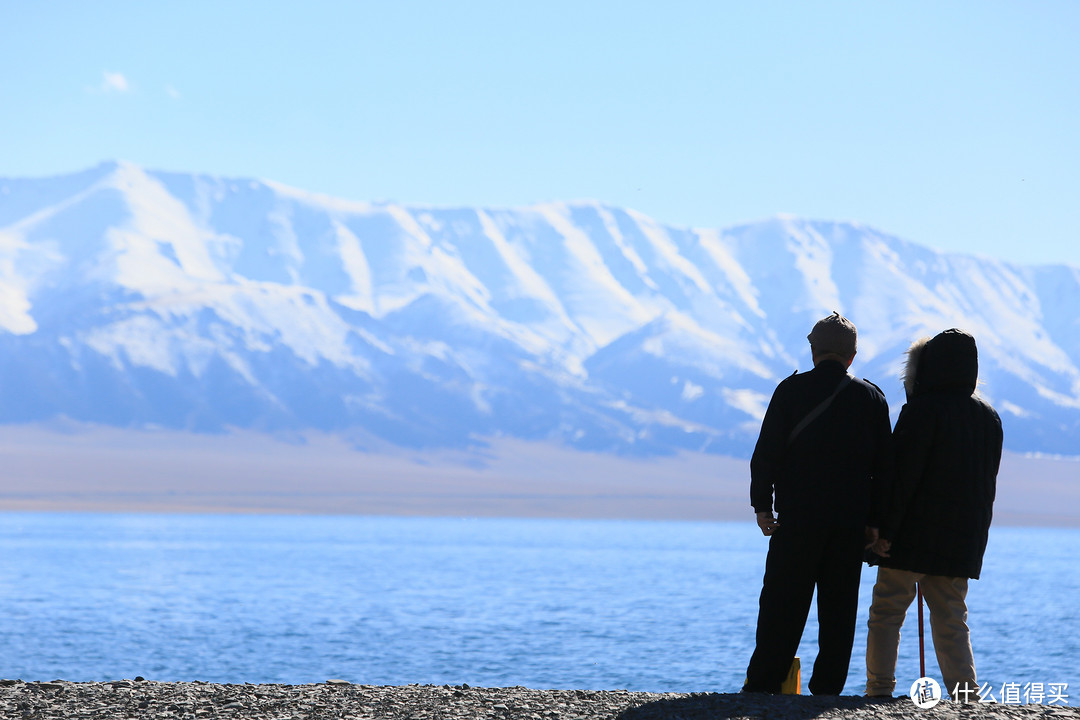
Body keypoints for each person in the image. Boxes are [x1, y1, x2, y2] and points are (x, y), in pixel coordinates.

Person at [743, 311, 893, 695]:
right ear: (853, 355)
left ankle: (763, 686)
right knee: (838, 612)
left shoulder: (789, 391)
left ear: (813, 350)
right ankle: (826, 690)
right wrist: (876, 522)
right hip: (849, 525)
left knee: (781, 606)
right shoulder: (872, 397)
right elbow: (884, 468)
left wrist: (762, 505)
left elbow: (766, 454)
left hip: (797, 522)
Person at [865, 329, 1003, 701]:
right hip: (961, 539)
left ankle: (879, 689)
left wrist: (885, 531)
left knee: (887, 612)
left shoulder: (922, 411)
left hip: (911, 537)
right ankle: (965, 696)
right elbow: (984, 487)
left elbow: (902, 478)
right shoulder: (989, 417)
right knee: (951, 620)